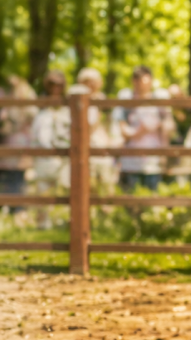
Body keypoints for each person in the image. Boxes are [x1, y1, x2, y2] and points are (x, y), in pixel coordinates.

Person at [117, 66, 173, 192]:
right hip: (130, 162)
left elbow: (168, 127)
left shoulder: (159, 99)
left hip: (154, 161)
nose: (141, 86)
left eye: (144, 83)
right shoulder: (126, 100)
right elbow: (123, 130)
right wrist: (142, 130)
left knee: (152, 198)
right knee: (130, 199)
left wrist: (164, 154)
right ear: (133, 81)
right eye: (138, 82)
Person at [30, 71, 71, 228]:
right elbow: (37, 131)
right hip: (44, 155)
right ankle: (43, 224)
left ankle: (64, 222)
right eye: (53, 84)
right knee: (44, 189)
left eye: (59, 84)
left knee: (65, 189)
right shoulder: (41, 107)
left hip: (64, 154)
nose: (56, 88)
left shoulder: (67, 107)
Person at [75, 68, 118, 191]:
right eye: (87, 81)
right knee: (87, 186)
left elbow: (111, 125)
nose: (91, 85)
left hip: (104, 148)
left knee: (105, 186)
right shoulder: (78, 103)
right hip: (85, 149)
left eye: (94, 81)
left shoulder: (104, 102)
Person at [0, 76, 37, 210]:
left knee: (18, 177)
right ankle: (8, 207)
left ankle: (17, 209)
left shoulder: (27, 95)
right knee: (7, 176)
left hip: (20, 142)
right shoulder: (7, 96)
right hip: (8, 142)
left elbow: (32, 115)